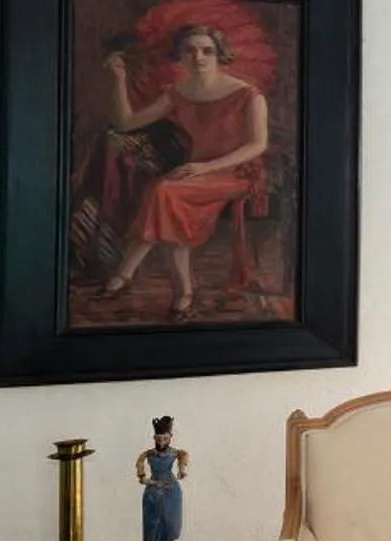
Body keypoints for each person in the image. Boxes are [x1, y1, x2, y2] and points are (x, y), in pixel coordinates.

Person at [101, 22, 270, 320]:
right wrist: (118, 78)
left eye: (207, 51)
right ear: (179, 56)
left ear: (220, 55)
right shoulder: (178, 93)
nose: (198, 58)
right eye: (189, 51)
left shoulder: (248, 95)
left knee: (165, 192)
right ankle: (182, 292)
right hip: (195, 172)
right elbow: (125, 122)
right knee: (163, 193)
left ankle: (128, 274)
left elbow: (257, 145)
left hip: (237, 172)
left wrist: (206, 167)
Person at [135, 415, 190, 541]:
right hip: (152, 494)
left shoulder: (176, 453)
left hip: (171, 493)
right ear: (154, 438)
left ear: (170, 438)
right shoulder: (147, 455)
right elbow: (141, 472)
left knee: (169, 529)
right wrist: (148, 480)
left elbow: (183, 458)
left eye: (165, 438)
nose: (161, 442)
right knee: (152, 530)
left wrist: (182, 469)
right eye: (159, 438)